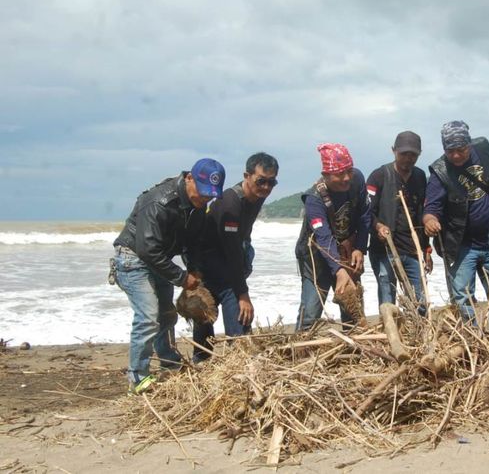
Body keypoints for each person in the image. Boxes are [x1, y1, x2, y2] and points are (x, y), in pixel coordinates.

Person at [112, 158, 225, 393]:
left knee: (166, 314)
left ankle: (169, 360)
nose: (204, 199)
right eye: (202, 193)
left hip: (159, 259)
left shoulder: (197, 208)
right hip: (133, 258)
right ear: (189, 178)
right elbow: (147, 249)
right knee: (148, 316)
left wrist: (194, 269)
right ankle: (138, 377)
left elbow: (193, 243)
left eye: (210, 196)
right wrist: (182, 278)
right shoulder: (159, 202)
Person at [423, 120, 489, 327]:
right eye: (450, 151)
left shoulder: (483, 148)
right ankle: (472, 336)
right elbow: (431, 208)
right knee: (463, 296)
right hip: (462, 245)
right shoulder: (440, 171)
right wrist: (430, 221)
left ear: (469, 144)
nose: (455, 155)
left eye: (461, 150)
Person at [190, 153, 279, 362]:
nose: (266, 187)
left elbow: (241, 240)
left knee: (239, 333)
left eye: (271, 182)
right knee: (211, 322)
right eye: (261, 181)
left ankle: (237, 364)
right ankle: (203, 366)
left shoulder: (256, 197)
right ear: (247, 176)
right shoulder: (230, 204)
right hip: (209, 267)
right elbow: (232, 252)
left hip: (228, 265)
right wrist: (243, 294)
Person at [295, 143, 372, 331]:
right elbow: (323, 237)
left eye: (349, 171)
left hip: (347, 251)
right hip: (317, 256)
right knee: (311, 313)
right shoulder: (314, 199)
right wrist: (339, 270)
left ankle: (355, 353)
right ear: (326, 174)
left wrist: (360, 248)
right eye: (339, 174)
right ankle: (299, 351)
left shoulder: (357, 179)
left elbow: (365, 215)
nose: (346, 178)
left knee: (353, 311)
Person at [367, 131, 432, 311]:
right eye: (404, 154)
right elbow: (366, 213)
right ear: (393, 151)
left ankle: (418, 336)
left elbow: (422, 213)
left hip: (413, 250)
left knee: (420, 301)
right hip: (385, 249)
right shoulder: (378, 176)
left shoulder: (419, 177)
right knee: (388, 296)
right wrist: (378, 226)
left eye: (413, 155)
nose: (408, 159)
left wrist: (426, 249)